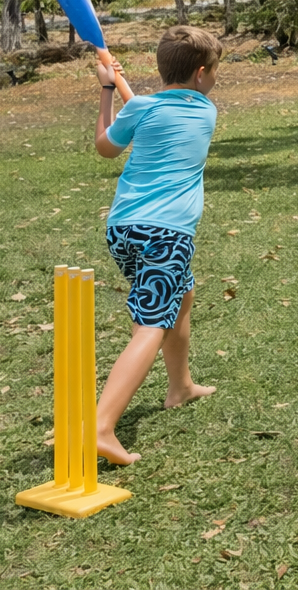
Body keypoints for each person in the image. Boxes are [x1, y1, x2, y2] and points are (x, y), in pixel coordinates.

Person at [90, 26, 221, 464]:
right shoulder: (205, 112)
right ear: (201, 74)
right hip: (167, 233)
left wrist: (109, 89)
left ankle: (180, 387)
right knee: (152, 324)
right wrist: (118, 84)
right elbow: (156, 110)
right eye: (214, 72)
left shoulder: (143, 108)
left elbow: (107, 147)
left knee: (181, 294)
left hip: (124, 228)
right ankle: (101, 426)